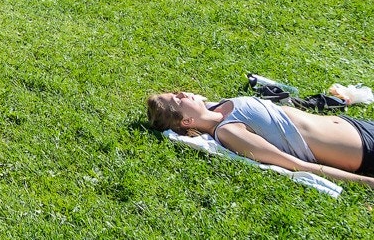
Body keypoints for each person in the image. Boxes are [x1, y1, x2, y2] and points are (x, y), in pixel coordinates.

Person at [145, 92, 374, 188]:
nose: (182, 93)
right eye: (178, 99)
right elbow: (297, 166)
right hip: (364, 149)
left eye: (176, 92)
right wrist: (367, 182)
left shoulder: (218, 106)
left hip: (355, 125)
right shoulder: (229, 132)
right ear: (186, 121)